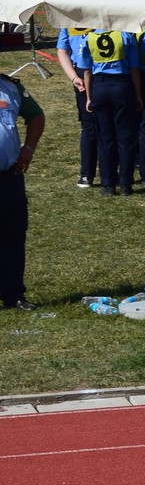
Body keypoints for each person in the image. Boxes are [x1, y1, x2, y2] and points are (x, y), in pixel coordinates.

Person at [0, 71, 43, 311]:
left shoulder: (10, 87)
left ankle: (13, 294)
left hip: (8, 176)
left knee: (13, 235)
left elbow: (36, 116)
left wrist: (28, 148)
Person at [83, 28, 143, 196]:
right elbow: (134, 68)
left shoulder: (90, 37)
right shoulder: (125, 36)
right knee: (125, 138)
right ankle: (125, 184)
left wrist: (89, 97)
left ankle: (108, 184)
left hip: (100, 86)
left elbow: (87, 70)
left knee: (104, 138)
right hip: (121, 85)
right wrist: (138, 95)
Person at [53, 25, 96, 188]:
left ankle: (111, 172)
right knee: (89, 126)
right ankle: (87, 174)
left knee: (108, 125)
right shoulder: (68, 22)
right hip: (82, 73)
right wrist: (73, 77)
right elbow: (62, 50)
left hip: (104, 71)